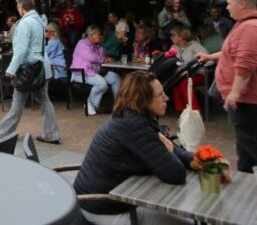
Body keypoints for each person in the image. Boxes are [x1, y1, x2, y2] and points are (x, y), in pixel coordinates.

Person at [74, 71, 193, 224]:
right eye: (161, 95)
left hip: (112, 199)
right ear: (143, 99)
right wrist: (170, 152)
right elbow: (175, 174)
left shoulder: (134, 116)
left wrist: (199, 160)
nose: (166, 98)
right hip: (103, 208)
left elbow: (163, 145)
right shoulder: (134, 125)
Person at [197, 0, 257, 173]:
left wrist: (235, 92)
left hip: (245, 100)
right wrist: (210, 57)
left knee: (250, 143)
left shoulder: (249, 27)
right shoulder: (244, 25)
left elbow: (245, 62)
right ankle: (245, 180)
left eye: (230, 4)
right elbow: (232, 51)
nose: (227, 8)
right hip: (243, 99)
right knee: (244, 145)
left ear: (243, 4)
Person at [0, 0, 61, 144]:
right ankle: (52, 134)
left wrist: (11, 69)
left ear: (21, 7)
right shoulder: (39, 20)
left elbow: (21, 51)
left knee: (17, 103)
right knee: (45, 101)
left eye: (17, 6)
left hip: (29, 68)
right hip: (42, 66)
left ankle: (3, 133)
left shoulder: (25, 23)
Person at [71, 25, 122, 116]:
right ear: (91, 35)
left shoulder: (99, 45)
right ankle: (89, 103)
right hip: (81, 73)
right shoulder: (82, 43)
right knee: (102, 84)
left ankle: (118, 106)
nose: (101, 36)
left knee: (115, 77)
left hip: (96, 71)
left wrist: (100, 46)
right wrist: (103, 59)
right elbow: (92, 57)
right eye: (99, 34)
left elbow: (103, 55)